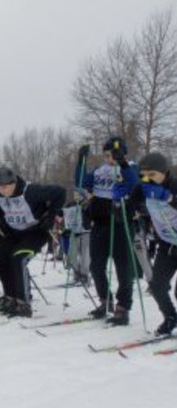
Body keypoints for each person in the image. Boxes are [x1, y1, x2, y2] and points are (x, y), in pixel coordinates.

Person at [77, 137, 140, 325]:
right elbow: (81, 182)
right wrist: (81, 161)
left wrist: (122, 163)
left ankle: (123, 307)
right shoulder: (99, 171)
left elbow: (134, 185)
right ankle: (105, 301)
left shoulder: (131, 168)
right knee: (96, 266)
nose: (108, 159)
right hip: (101, 224)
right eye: (105, 155)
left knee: (123, 268)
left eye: (111, 155)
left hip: (121, 224)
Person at [0, 166, 66, 317]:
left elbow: (60, 192)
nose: (3, 190)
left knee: (19, 258)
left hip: (36, 232)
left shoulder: (31, 191)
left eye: (6, 187)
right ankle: (11, 297)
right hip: (15, 232)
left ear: (14, 182)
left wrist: (51, 215)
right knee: (0, 259)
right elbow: (2, 208)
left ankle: (24, 303)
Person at [130, 152, 177, 335]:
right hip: (168, 243)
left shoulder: (174, 186)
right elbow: (131, 203)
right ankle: (170, 317)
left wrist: (171, 200)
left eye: (152, 175)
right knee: (156, 284)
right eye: (144, 175)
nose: (148, 179)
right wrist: (126, 209)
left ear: (164, 171)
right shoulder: (143, 187)